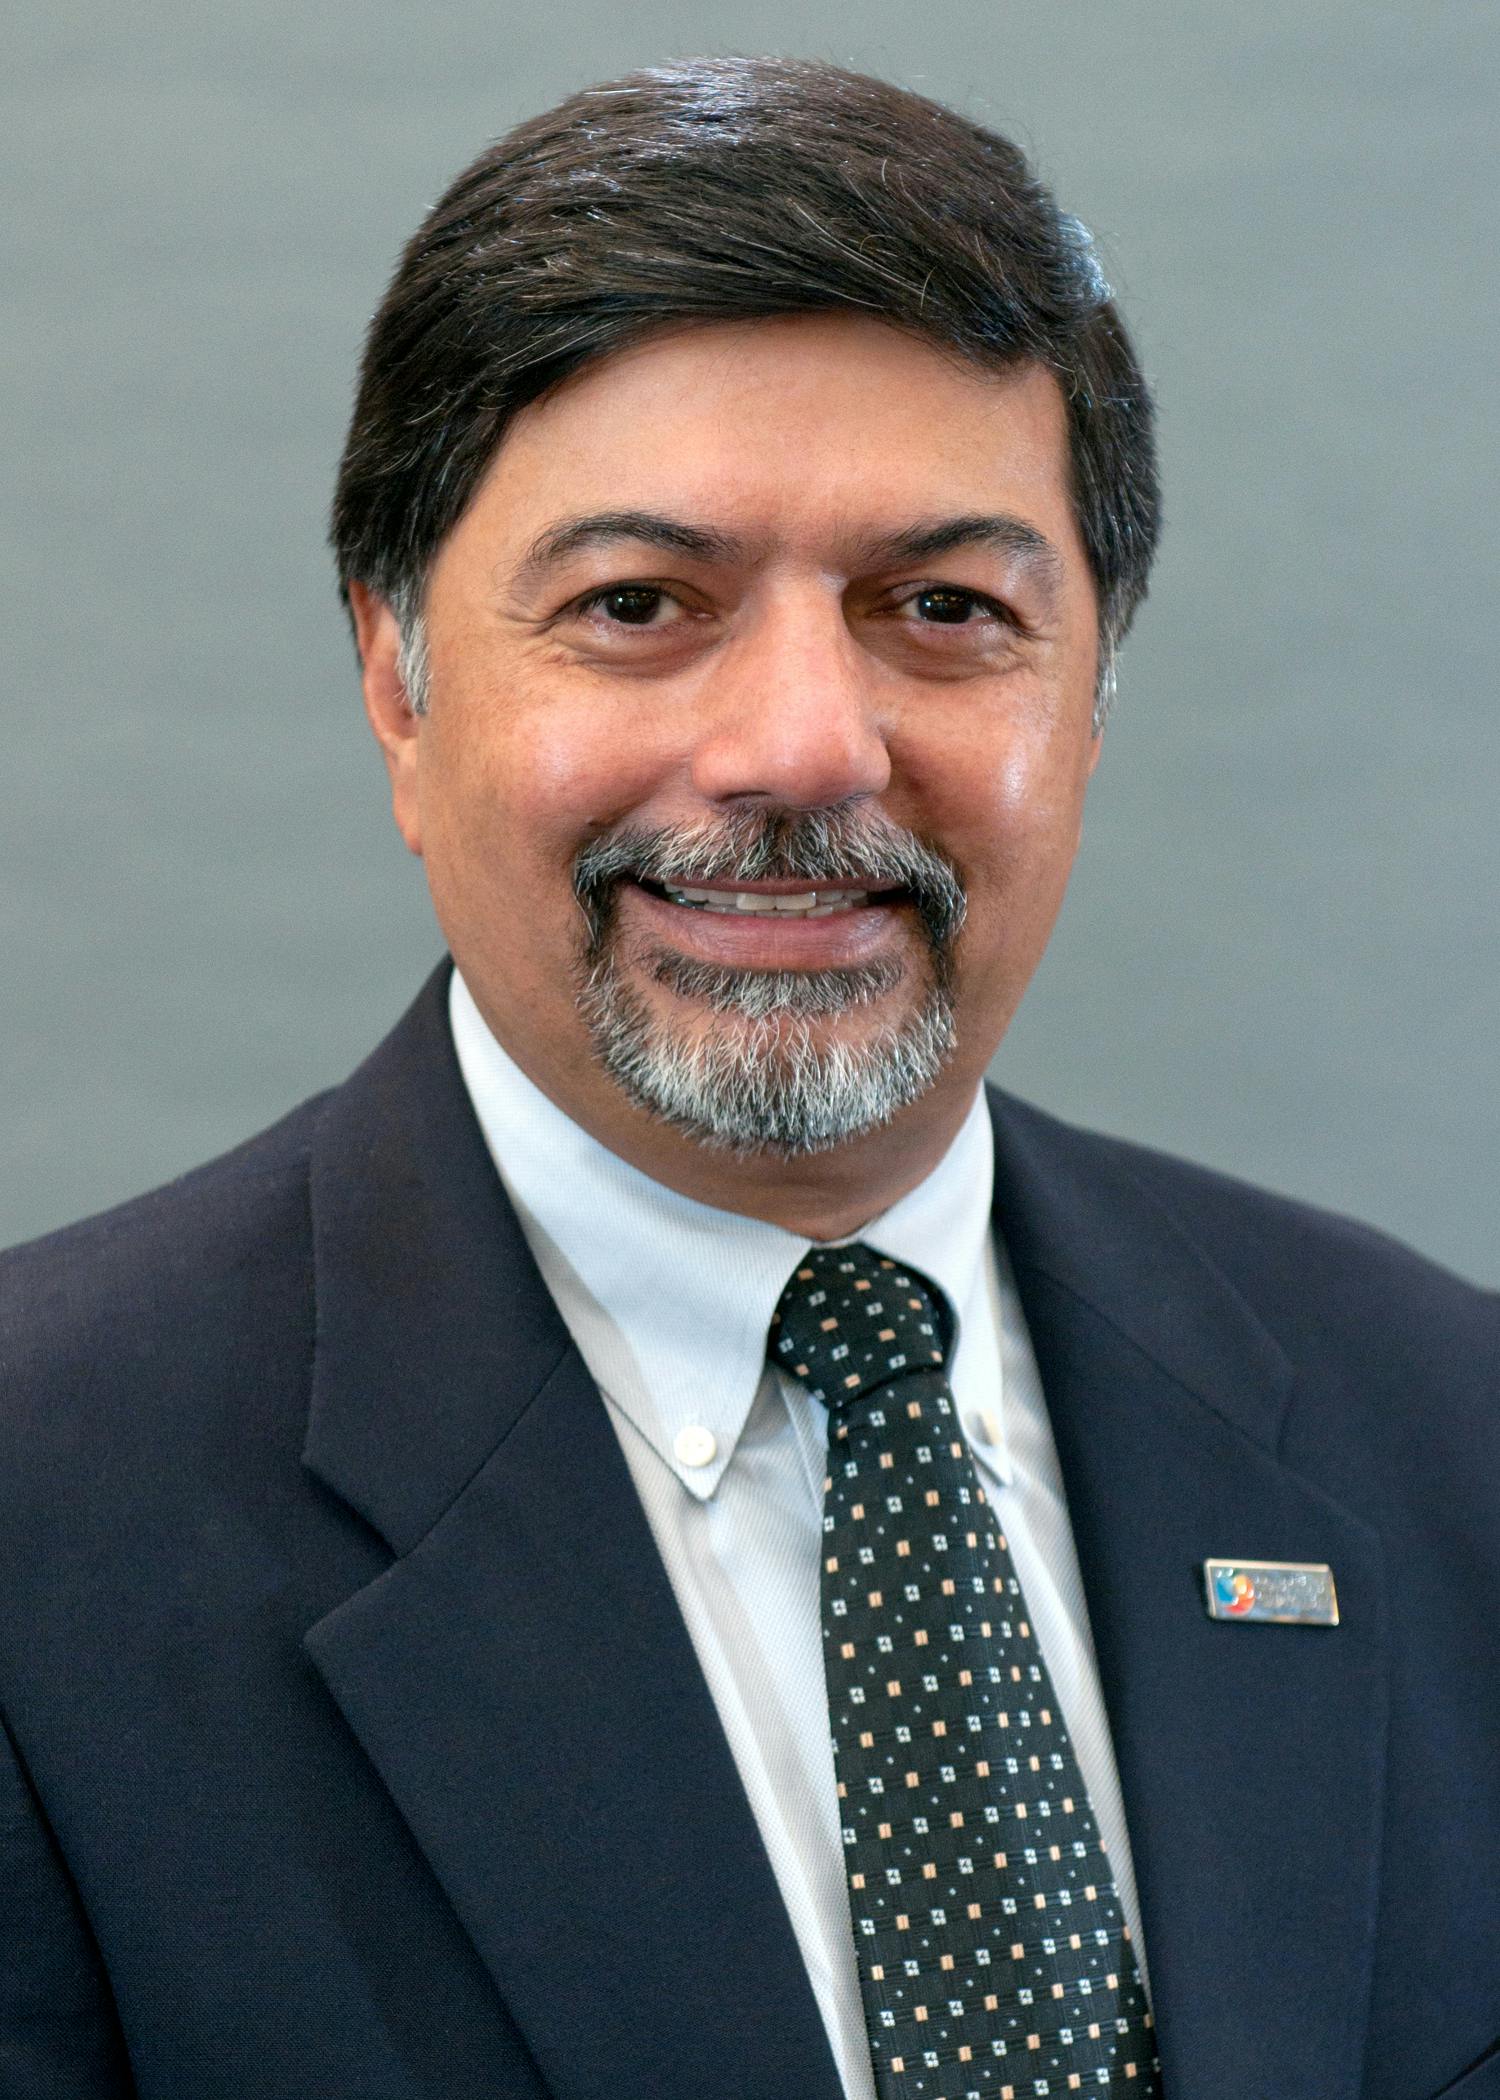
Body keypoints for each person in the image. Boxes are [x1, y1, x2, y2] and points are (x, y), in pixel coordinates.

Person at [1, 53, 1495, 2100]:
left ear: (1093, 692)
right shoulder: (43, 1531)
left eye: (944, 608)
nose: (802, 746)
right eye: (637, 605)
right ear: (396, 680)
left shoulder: (1448, 1439)